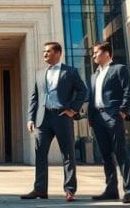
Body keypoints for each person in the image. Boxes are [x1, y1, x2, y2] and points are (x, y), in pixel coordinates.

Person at [21, 41, 87, 202]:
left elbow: (83, 91)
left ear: (58, 53)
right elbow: (34, 98)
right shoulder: (39, 74)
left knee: (68, 154)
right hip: (42, 119)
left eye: (48, 51)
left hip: (62, 117)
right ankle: (40, 190)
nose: (44, 54)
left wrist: (73, 109)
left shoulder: (70, 72)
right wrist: (31, 118)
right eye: (44, 51)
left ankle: (70, 190)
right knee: (40, 155)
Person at [87, 41, 130, 204]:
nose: (93, 55)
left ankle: (128, 191)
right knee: (105, 155)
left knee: (121, 153)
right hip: (98, 118)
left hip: (113, 116)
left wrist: (122, 112)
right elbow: (91, 98)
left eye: (96, 52)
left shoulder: (119, 69)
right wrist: (91, 118)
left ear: (107, 53)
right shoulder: (94, 75)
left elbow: (128, 92)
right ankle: (111, 190)